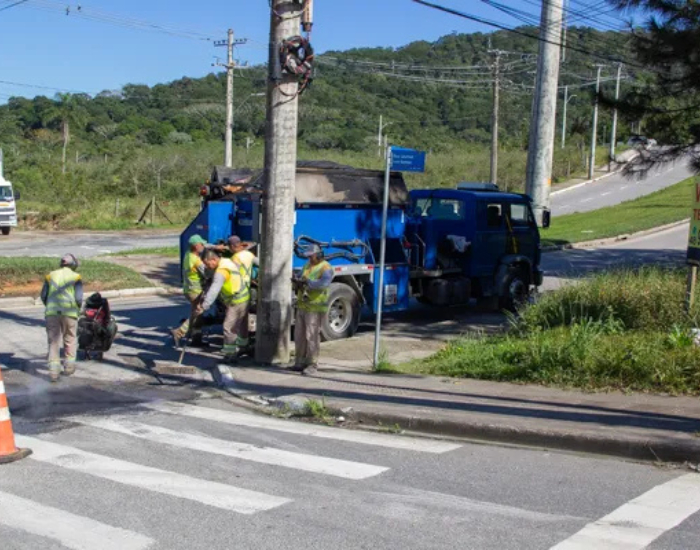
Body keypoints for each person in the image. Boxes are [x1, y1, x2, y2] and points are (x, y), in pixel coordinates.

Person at [196, 249, 250, 363]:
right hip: (243, 297)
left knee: (228, 327)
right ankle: (243, 347)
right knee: (242, 324)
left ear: (213, 259)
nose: (207, 267)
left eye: (207, 264)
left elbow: (215, 289)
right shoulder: (227, 261)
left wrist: (204, 305)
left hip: (236, 300)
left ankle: (230, 355)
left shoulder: (221, 271)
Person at [171, 235, 224, 348]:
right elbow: (208, 274)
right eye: (201, 244)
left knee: (198, 316)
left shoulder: (188, 254)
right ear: (196, 246)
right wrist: (218, 266)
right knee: (197, 313)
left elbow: (205, 246)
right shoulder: (196, 261)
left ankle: (196, 339)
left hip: (188, 289)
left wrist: (215, 247)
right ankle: (179, 332)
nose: (203, 246)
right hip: (195, 291)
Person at [289, 244, 332, 376]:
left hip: (314, 307)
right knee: (299, 336)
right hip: (302, 305)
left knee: (311, 336)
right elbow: (301, 276)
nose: (309, 258)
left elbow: (324, 284)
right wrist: (296, 280)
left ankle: (312, 364)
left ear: (318, 255)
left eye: (311, 256)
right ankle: (299, 362)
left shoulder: (326, 268)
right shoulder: (307, 265)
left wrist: (308, 283)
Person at [41, 253, 83, 382]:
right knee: (69, 339)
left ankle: (54, 373)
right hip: (69, 313)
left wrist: (50, 306)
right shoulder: (76, 277)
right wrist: (77, 308)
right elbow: (78, 298)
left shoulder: (50, 276)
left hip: (52, 313)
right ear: (73, 264)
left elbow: (43, 296)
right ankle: (69, 367)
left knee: (53, 342)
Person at [227, 235, 258, 356]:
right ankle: (243, 345)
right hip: (247, 290)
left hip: (237, 292)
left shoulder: (235, 258)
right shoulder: (249, 255)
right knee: (243, 319)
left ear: (232, 246)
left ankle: (231, 351)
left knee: (232, 322)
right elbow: (260, 264)